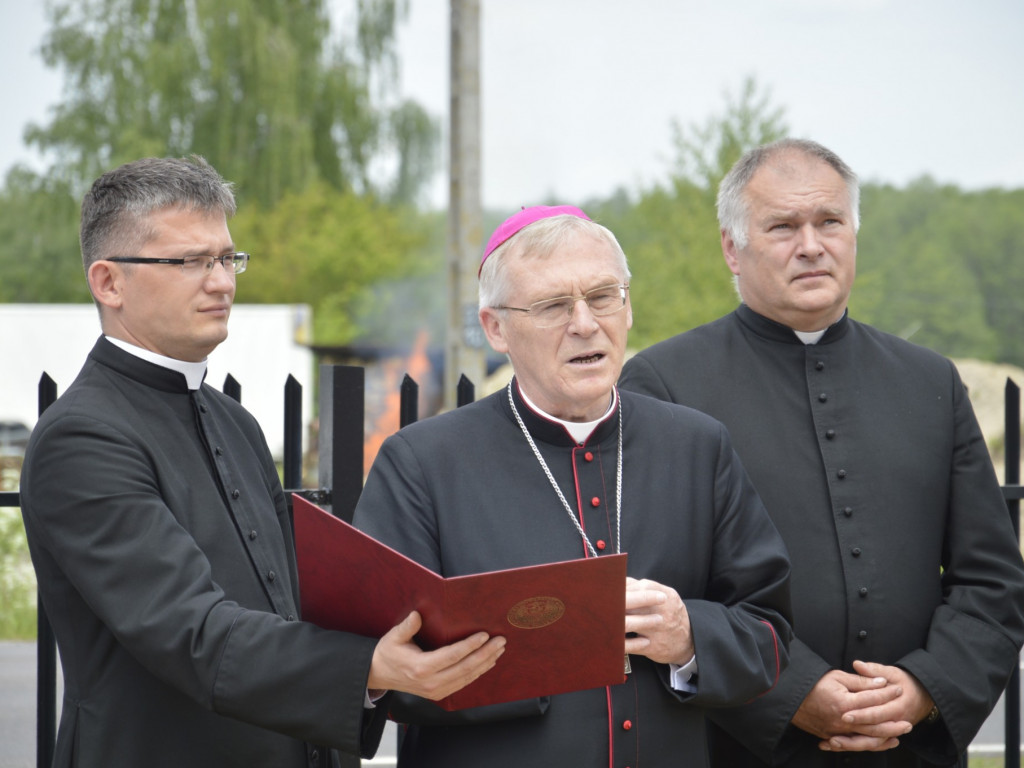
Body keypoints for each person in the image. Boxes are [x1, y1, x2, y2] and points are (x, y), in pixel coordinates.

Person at [18, 156, 506, 768]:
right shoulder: (81, 438)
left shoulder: (234, 422)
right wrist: (367, 667)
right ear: (108, 282)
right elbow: (190, 631)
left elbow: (292, 604)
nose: (222, 282)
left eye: (227, 258)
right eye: (191, 262)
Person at [619, 138, 1024, 767]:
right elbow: (656, 594)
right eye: (782, 226)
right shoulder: (664, 385)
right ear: (732, 248)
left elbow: (991, 581)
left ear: (854, 233)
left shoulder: (930, 382)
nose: (811, 245)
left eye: (829, 221)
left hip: (908, 751)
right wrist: (792, 694)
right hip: (741, 748)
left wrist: (924, 689)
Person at [351, 205, 793, 767]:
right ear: (495, 328)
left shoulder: (698, 447)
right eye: (553, 305)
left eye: (603, 296)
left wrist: (689, 638)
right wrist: (534, 654)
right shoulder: (421, 463)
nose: (585, 323)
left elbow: (768, 632)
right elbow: (376, 664)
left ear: (628, 307)